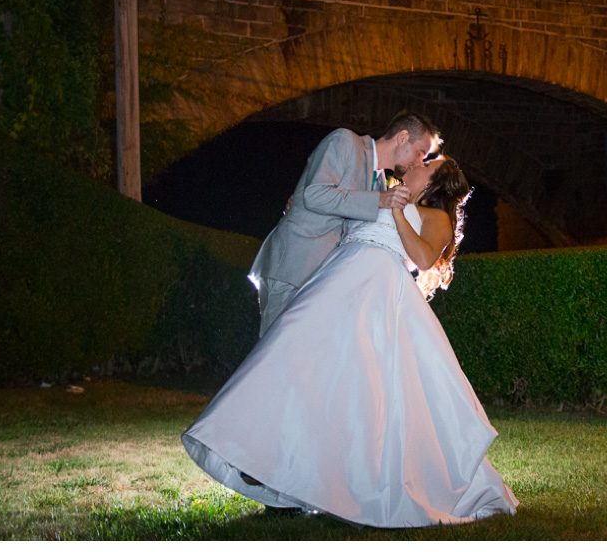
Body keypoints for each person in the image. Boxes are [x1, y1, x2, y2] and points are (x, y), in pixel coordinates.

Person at [182, 156, 518, 528]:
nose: (418, 163)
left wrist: (398, 212)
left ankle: (346, 482)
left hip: (377, 290)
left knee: (360, 390)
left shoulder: (437, 217)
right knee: (292, 355)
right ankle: (255, 451)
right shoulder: (380, 193)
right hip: (337, 277)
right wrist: (306, 211)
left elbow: (422, 258)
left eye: (427, 164)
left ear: (435, 182)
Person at [248, 111, 439, 337]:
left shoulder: (381, 183)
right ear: (402, 137)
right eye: (420, 153)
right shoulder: (345, 141)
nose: (418, 163)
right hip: (294, 270)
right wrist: (378, 201)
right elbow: (314, 195)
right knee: (274, 361)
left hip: (322, 284)